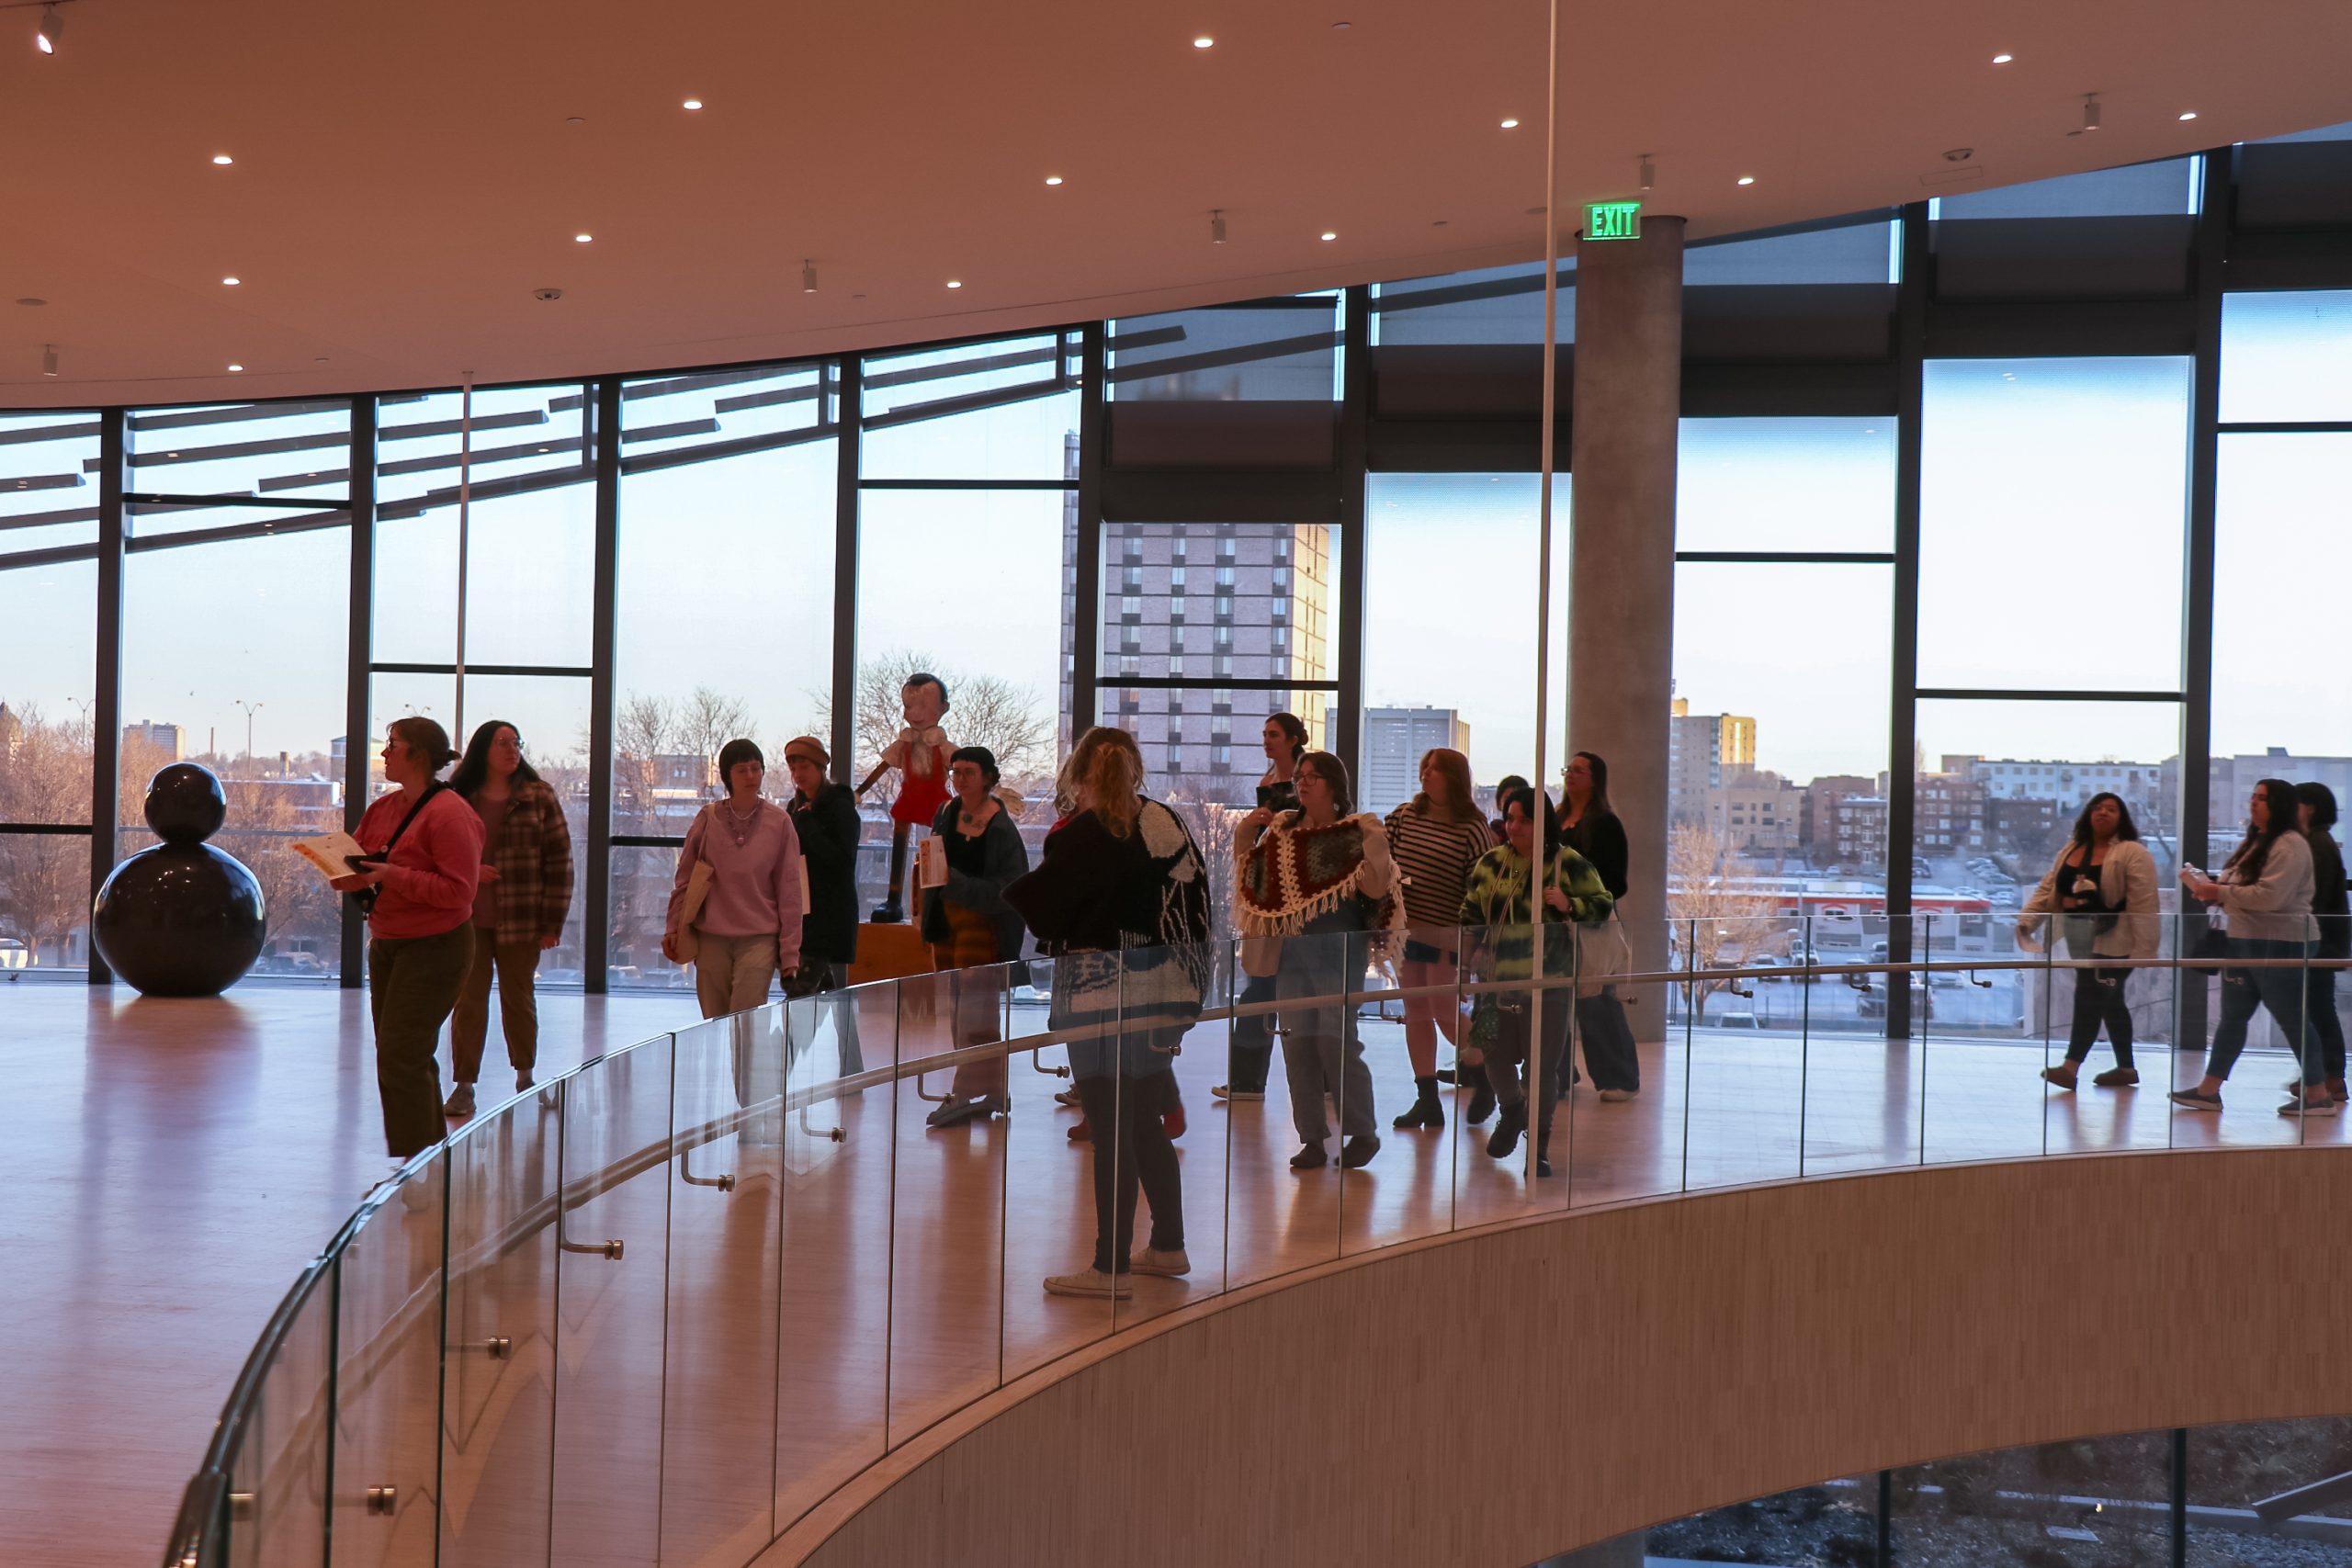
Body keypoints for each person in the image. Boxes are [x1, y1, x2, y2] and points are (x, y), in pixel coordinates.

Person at [1006, 728, 1212, 1300]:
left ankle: (1110, 1267)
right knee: (1142, 1121)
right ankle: (1167, 1245)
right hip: (1162, 994)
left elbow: (1049, 917)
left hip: (1096, 998)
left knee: (1111, 1127)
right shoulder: (1163, 820)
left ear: (1080, 771)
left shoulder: (1082, 834)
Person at [1236, 750, 1399, 1171]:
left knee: (1336, 1040)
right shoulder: (1283, 829)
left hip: (1339, 949)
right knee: (1297, 1043)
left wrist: (1370, 845)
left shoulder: (1358, 828)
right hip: (1291, 949)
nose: (1303, 783)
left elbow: (1378, 886)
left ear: (1334, 784)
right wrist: (1243, 833)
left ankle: (1362, 1131)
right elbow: (1255, 879)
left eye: (1313, 777)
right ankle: (1311, 1137)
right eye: (1301, 777)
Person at [329, 717, 481, 1165]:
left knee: (401, 1054)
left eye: (393, 745)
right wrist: (346, 875)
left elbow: (459, 892)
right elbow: (360, 861)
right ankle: (423, 1162)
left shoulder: (450, 813)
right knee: (401, 1055)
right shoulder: (384, 809)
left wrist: (392, 876)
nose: (384, 753)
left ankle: (418, 1168)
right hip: (389, 942)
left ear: (417, 755)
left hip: (437, 945)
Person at [1456, 784, 1613, 1179]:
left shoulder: (1567, 863)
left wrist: (1569, 904)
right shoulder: (1491, 863)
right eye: (1510, 819)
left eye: (1525, 820)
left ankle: (1538, 1149)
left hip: (1549, 982)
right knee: (1490, 1049)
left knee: (1541, 1069)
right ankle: (1511, 1110)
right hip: (1494, 981)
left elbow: (1602, 904)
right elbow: (1470, 915)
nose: (1514, 827)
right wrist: (1463, 963)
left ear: (1543, 823)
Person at [442, 720, 572, 1119]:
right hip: (467, 919)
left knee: (519, 999)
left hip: (522, 918)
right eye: (502, 742)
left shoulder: (539, 796)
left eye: (516, 742)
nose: (512, 749)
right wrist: (471, 869)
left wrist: (552, 923)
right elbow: (438, 853)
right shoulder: (457, 797)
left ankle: (525, 1077)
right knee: (468, 1002)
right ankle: (464, 1086)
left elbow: (560, 863)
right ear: (482, 749)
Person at [2171, 779, 2324, 1116]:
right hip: (2244, 938)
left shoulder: (2290, 845)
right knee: (2233, 1017)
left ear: (2279, 804)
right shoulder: (2257, 842)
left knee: (2292, 1019)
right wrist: (2209, 887)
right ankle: (2208, 1091)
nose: (2253, 803)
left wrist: (2220, 893)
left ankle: (2317, 1094)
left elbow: (2271, 897)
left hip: (2281, 941)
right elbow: (2244, 888)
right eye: (2252, 797)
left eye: (2262, 798)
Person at [920, 745, 1031, 1128]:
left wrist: (959, 883)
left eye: (969, 771)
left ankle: (966, 1092)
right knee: (957, 1011)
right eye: (956, 771)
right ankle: (992, 1088)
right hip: (947, 925)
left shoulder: (999, 825)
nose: (961, 778)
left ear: (987, 777)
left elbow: (1011, 886)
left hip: (983, 927)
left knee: (975, 1015)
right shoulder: (947, 812)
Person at [2018, 792, 2159, 1091]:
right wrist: (2027, 921)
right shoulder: (2073, 849)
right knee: (2110, 1001)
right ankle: (2126, 1068)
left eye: (2110, 809)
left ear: (2122, 817)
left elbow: (2144, 903)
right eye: (2097, 808)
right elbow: (2048, 889)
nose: (2102, 813)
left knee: (2089, 998)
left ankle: (2070, 1068)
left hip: (2115, 941)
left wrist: (2145, 950)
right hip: (2077, 936)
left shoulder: (2133, 852)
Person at [1385, 748, 1492, 1132]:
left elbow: (1483, 889)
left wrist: (1475, 946)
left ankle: (1486, 1078)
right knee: (1416, 1014)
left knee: (1446, 1015)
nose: (1426, 775)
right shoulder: (1403, 816)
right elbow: (1382, 858)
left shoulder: (1472, 827)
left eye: (1435, 770)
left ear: (1454, 778)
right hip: (1407, 931)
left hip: (1449, 934)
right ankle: (1427, 1098)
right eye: (1424, 768)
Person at [663, 738, 805, 1020]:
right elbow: (685, 880)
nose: (751, 776)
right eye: (742, 770)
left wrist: (790, 953)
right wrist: (673, 928)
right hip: (711, 937)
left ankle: (748, 1067)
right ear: (727, 775)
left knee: (746, 1021)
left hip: (759, 938)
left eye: (756, 768)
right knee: (714, 1022)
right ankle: (723, 1067)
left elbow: (790, 891)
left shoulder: (779, 823)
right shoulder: (708, 819)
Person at [1215, 712, 1309, 1104]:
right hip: (1269, 887)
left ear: (1292, 739)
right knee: (1261, 985)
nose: (1266, 741)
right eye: (1265, 735)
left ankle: (1254, 1080)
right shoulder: (1269, 776)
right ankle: (1249, 1079)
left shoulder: (1306, 776)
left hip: (1296, 891)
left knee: (1273, 987)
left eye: (1273, 735)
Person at [1559, 750, 1640, 1102]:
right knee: (1553, 1003)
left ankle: (1619, 1078)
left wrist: (1580, 894)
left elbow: (1616, 882)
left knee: (1598, 1005)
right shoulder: (1555, 818)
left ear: (1595, 779)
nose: (1571, 775)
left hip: (1592, 923)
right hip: (1554, 924)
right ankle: (1556, 1075)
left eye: (1579, 770)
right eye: (1568, 769)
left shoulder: (1606, 823)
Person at [2297, 783, 2348, 1104]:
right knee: (2317, 1009)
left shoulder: (2316, 843)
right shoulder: (2316, 841)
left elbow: (2312, 897)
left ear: (2310, 807)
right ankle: (2323, 1075)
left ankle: (2331, 1076)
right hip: (2322, 940)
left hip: (2319, 941)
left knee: (2320, 1010)